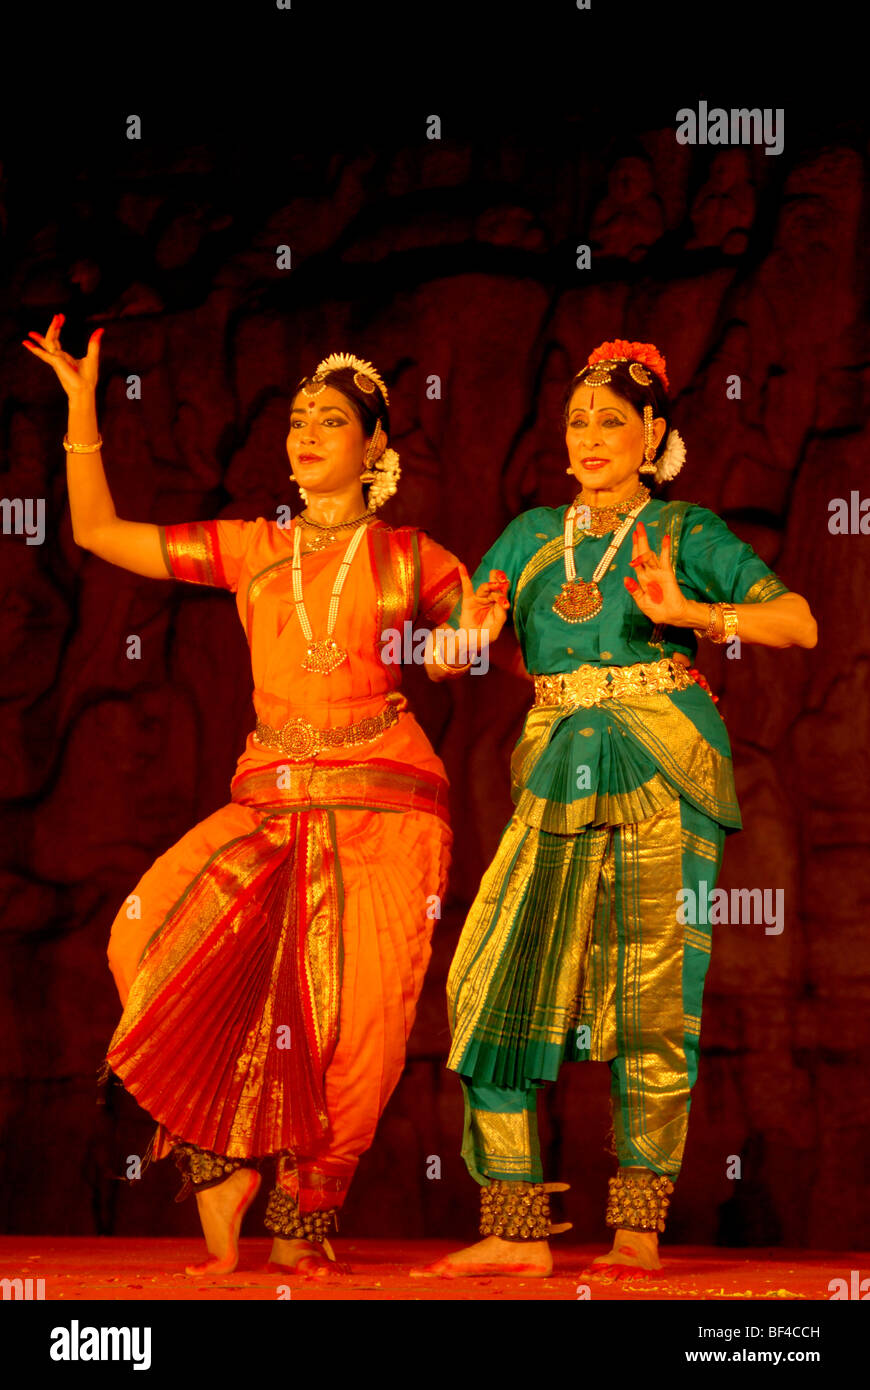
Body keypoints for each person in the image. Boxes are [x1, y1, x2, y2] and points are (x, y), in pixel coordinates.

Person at [22, 322, 475, 1279]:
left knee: (358, 1023)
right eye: (299, 419)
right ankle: (221, 1154)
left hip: (387, 806)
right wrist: (79, 409)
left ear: (375, 448)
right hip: (269, 798)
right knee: (143, 933)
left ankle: (305, 1214)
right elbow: (100, 534)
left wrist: (466, 637)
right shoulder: (251, 549)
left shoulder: (410, 558)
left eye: (332, 421)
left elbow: (466, 638)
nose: (307, 433)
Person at [417, 339, 817, 1280]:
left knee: (648, 998)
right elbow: (447, 652)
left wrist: (696, 614)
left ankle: (637, 1228)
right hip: (556, 768)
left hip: (659, 762)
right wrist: (460, 641)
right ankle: (517, 1232)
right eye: (578, 421)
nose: (591, 436)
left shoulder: (683, 531)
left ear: (653, 436)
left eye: (612, 421)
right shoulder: (526, 538)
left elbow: (797, 621)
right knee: (486, 983)